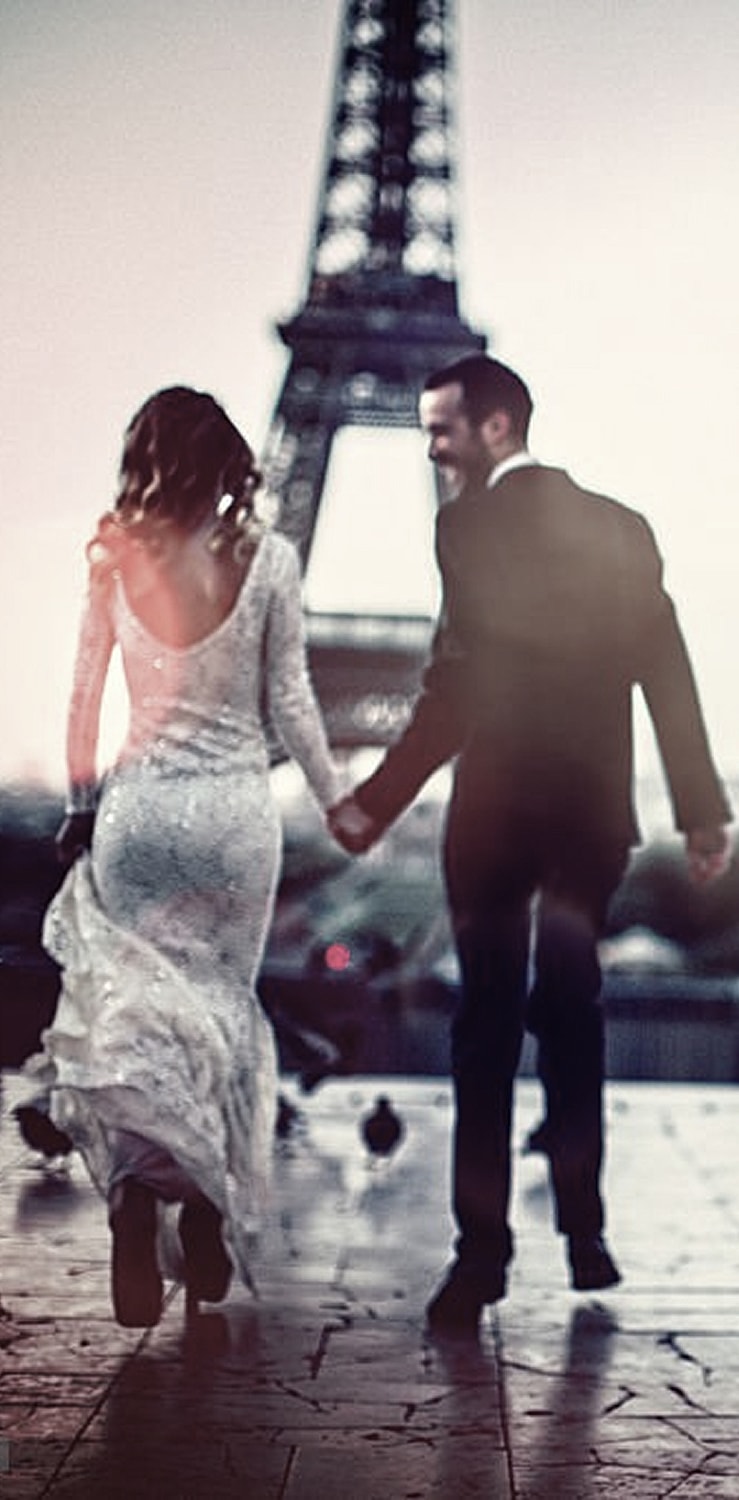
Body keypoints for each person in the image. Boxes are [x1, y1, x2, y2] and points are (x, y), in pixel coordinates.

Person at [329, 354, 731, 1337]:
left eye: (443, 429)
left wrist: (375, 803)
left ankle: (480, 1257)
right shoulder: (624, 529)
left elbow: (453, 686)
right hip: (589, 821)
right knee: (574, 1009)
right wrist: (701, 809)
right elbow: (666, 666)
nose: (431, 447)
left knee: (484, 1034)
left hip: (499, 820)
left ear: (495, 428)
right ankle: (585, 1230)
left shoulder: (465, 528)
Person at [20, 386, 344, 1328]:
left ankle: (132, 1196)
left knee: (129, 1017)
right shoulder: (271, 560)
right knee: (216, 1018)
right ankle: (202, 1203)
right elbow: (293, 708)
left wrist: (82, 809)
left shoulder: (114, 564)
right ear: (234, 462)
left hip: (141, 812)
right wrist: (342, 803)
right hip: (237, 823)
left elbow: (83, 705)